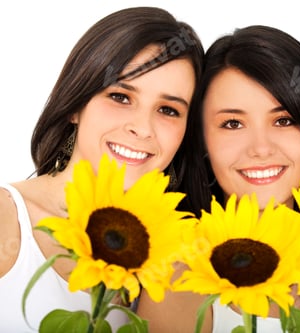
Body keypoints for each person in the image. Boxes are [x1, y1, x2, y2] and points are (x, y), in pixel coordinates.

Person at [0, 6, 203, 332]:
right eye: (121, 97)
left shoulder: (175, 253)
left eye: (168, 109)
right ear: (75, 106)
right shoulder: (7, 217)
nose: (143, 128)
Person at [137, 25, 300, 333]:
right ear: (202, 139)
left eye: (283, 120)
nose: (260, 148)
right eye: (232, 123)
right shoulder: (181, 278)